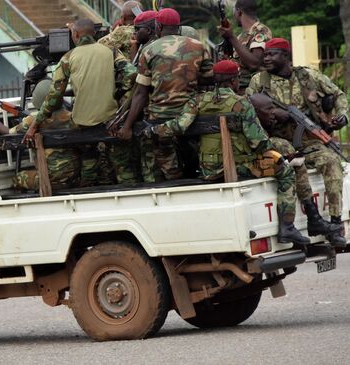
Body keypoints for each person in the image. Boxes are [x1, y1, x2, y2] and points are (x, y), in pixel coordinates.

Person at [138, 60, 309, 247]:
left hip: (209, 170)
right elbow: (258, 143)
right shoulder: (241, 103)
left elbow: (180, 126)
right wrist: (279, 155)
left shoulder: (198, 101)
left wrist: (153, 131)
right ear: (234, 81)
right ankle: (287, 227)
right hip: (238, 167)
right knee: (285, 171)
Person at [247, 38, 347, 246]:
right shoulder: (259, 81)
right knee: (294, 156)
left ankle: (336, 224)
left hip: (307, 141)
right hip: (277, 140)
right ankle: (313, 217)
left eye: (272, 54)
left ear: (286, 56)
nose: (266, 58)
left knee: (331, 160)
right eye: (265, 54)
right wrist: (275, 113)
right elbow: (249, 108)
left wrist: (343, 115)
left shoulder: (307, 76)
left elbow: (338, 95)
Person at [24, 19, 138, 186]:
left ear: (75, 35)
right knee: (123, 167)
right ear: (95, 34)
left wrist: (34, 125)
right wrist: (120, 95)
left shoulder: (68, 58)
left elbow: (54, 97)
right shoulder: (111, 51)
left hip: (82, 122)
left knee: (88, 159)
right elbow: (132, 75)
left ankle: (89, 187)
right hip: (111, 119)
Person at [113, 8, 213, 182]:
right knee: (192, 158)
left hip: (159, 117)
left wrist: (127, 126)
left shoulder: (149, 50)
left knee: (157, 163)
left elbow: (141, 93)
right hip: (190, 115)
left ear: (158, 26)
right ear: (178, 26)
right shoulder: (198, 46)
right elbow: (209, 79)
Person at [249, 93, 346, 247]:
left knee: (327, 159)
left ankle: (328, 221)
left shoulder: (305, 78)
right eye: (270, 110)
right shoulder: (250, 114)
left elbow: (337, 95)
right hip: (257, 157)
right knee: (292, 162)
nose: (273, 113)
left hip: (301, 143)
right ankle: (309, 218)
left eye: (273, 109)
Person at [0, 79, 81, 191]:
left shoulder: (34, 121)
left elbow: (7, 132)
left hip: (50, 180)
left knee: (18, 178)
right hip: (74, 177)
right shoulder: (73, 118)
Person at [217, 0, 272, 92]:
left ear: (239, 12)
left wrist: (231, 37)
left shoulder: (260, 31)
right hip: (239, 90)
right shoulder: (241, 37)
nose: (234, 16)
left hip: (255, 91)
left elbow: (254, 63)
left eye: (234, 12)